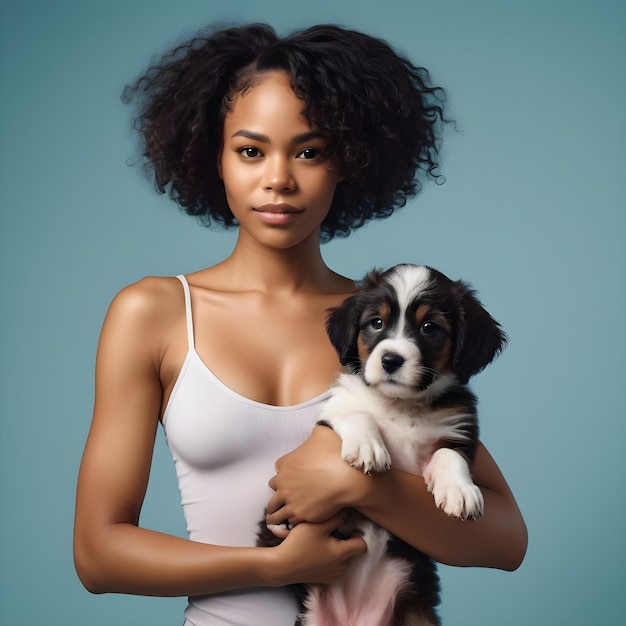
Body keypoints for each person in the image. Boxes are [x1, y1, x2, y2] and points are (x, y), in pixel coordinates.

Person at [73, 23, 527, 625]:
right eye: (250, 150)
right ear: (214, 156)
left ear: (350, 162)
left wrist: (363, 487)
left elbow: (504, 540)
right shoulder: (152, 313)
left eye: (309, 151)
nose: (279, 178)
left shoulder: (374, 328)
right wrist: (274, 567)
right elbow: (98, 555)